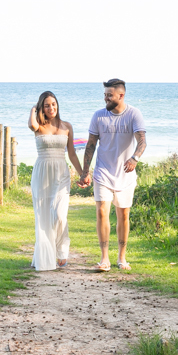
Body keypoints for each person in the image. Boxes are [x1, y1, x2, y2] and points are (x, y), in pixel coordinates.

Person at [78, 79, 146, 272]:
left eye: (109, 95)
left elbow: (142, 141)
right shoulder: (98, 116)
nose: (106, 98)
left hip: (125, 175)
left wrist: (135, 158)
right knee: (101, 212)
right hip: (103, 172)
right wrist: (85, 172)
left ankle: (122, 258)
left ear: (121, 96)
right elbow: (91, 145)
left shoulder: (134, 114)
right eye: (105, 95)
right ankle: (104, 259)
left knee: (123, 215)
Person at [27, 91, 86, 270]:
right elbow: (31, 124)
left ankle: (61, 251)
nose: (51, 108)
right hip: (42, 174)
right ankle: (46, 255)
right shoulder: (38, 126)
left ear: (57, 105)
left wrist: (83, 173)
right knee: (43, 215)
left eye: (53, 104)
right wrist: (33, 109)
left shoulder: (67, 126)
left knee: (60, 216)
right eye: (47, 105)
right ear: (41, 108)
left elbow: (72, 154)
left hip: (61, 174)